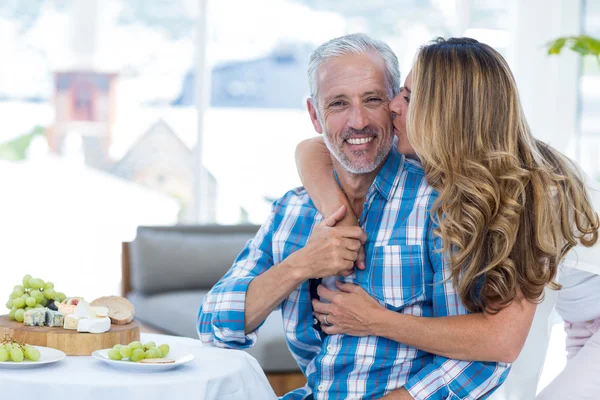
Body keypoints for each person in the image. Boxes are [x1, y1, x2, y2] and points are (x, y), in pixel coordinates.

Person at [197, 33, 508, 400]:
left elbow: (481, 360)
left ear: (395, 106)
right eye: (338, 104)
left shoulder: (440, 205)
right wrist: (299, 265)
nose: (357, 121)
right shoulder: (292, 210)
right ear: (315, 115)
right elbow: (214, 325)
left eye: (372, 99)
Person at [295, 37, 599, 400]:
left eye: (406, 97)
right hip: (578, 315)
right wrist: (340, 217)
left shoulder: (533, 190)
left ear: (443, 112)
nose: (392, 105)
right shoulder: (437, 153)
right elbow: (312, 148)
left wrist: (376, 320)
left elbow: (501, 341)